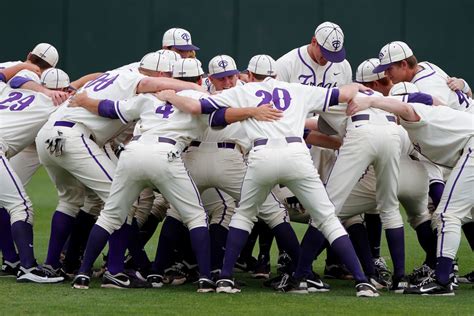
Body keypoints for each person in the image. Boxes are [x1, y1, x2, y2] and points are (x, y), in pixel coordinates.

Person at [158, 54, 380, 297]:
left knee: (243, 215)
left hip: (261, 154)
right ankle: (362, 281)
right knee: (327, 217)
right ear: (276, 75)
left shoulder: (243, 91)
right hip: (296, 154)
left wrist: (170, 95)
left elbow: (202, 110)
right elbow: (343, 95)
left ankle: (224, 278)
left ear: (250, 76)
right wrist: (358, 86)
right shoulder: (297, 89)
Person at [346, 82, 474, 296]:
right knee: (466, 215)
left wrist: (370, 100)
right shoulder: (435, 116)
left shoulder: (417, 113)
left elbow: (406, 108)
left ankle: (442, 280)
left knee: (446, 215)